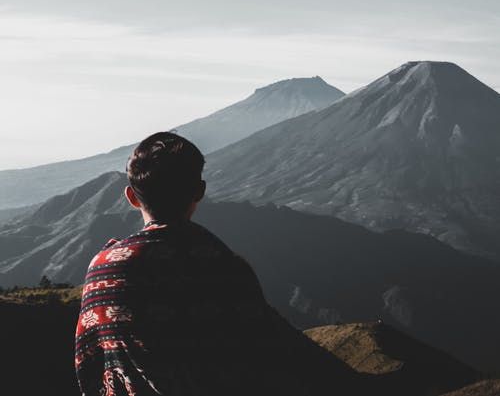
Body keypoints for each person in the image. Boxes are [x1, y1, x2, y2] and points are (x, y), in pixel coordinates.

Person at [74, 132, 372, 396]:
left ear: (131, 197)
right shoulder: (223, 267)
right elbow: (270, 356)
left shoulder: (102, 269)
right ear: (199, 191)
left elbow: (90, 365)